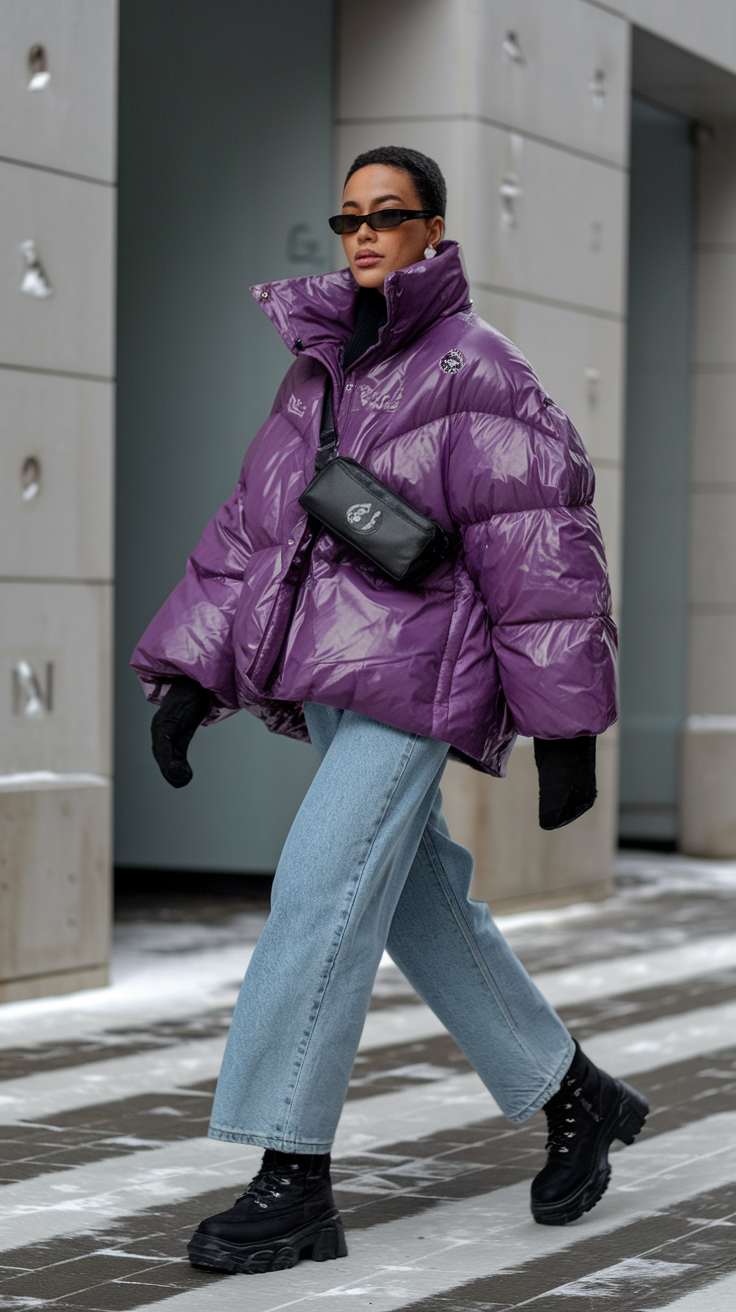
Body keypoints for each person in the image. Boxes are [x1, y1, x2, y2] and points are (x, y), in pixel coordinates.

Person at [131, 146, 648, 1275]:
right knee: (422, 904)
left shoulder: (478, 365)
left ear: (434, 230)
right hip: (327, 672)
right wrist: (188, 675)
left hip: (422, 676)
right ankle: (575, 1095)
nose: (363, 235)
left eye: (389, 216)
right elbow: (251, 528)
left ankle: (290, 1175)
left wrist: (564, 728)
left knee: (317, 893)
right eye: (349, 217)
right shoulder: (319, 365)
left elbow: (543, 546)